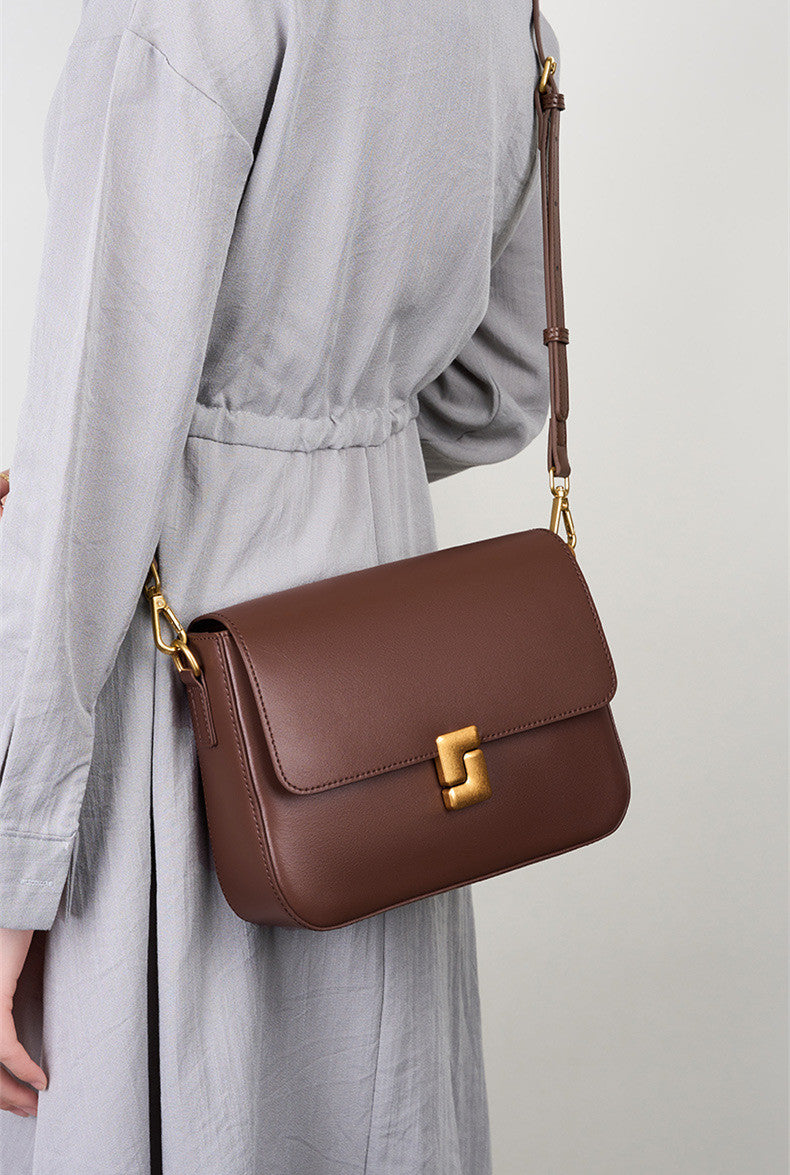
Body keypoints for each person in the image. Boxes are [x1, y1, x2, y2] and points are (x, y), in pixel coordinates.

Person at [0, 0, 559, 1170]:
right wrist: (332, 459)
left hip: (178, 653)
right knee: (367, 1101)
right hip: (387, 662)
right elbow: (500, 389)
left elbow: (94, 445)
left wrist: (9, 867)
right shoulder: (502, 15)